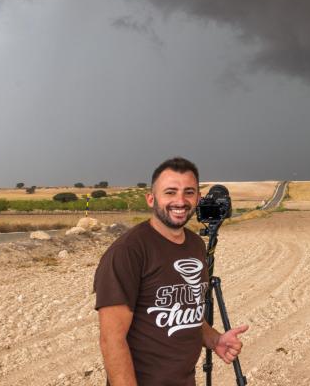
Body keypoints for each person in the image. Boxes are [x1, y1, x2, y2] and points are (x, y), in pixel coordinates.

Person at [94, 157, 248, 385]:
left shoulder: (196, 245)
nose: (180, 200)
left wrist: (215, 340)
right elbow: (112, 340)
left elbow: (189, 310)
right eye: (170, 192)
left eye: (188, 192)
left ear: (197, 198)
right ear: (151, 199)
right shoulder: (128, 251)